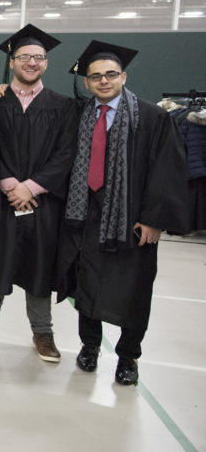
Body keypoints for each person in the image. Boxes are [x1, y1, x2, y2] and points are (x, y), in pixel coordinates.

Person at [61, 40, 190, 386]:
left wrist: (153, 218)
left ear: (124, 76)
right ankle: (89, 347)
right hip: (86, 215)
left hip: (131, 220)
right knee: (86, 287)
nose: (103, 81)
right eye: (96, 76)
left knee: (133, 291)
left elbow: (167, 171)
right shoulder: (80, 115)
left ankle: (128, 356)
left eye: (110, 75)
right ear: (87, 82)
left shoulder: (152, 117)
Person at [0, 26, 77, 363]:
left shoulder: (64, 106)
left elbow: (67, 153)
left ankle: (43, 331)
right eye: (24, 57)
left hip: (43, 202)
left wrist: (30, 186)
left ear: (46, 63)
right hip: (3, 201)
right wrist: (8, 183)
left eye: (38, 58)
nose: (31, 62)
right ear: (12, 61)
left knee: (40, 265)